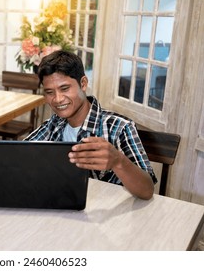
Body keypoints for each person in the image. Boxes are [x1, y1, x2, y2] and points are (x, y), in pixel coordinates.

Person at [24, 50, 156, 200]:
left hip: (108, 216)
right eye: (49, 92)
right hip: (64, 208)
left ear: (83, 84)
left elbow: (147, 191)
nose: (58, 99)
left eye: (65, 88)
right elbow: (18, 156)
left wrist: (118, 161)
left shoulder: (119, 127)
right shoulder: (53, 124)